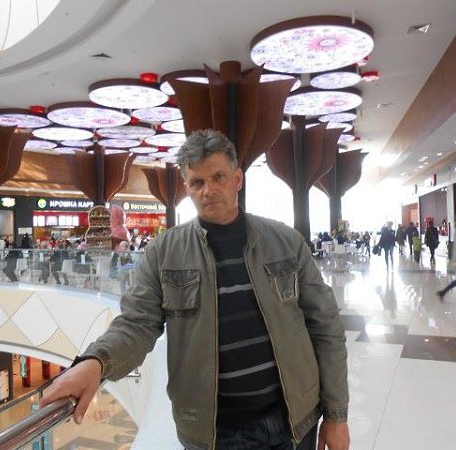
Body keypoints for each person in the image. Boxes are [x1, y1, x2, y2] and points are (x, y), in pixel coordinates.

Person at [40, 129, 350, 450]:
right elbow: (137, 324)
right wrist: (95, 362)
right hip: (218, 433)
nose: (208, 190)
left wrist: (336, 415)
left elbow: (325, 326)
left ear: (237, 179)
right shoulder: (164, 253)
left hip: (295, 420)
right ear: (187, 188)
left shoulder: (284, 241)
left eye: (219, 177)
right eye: (197, 182)